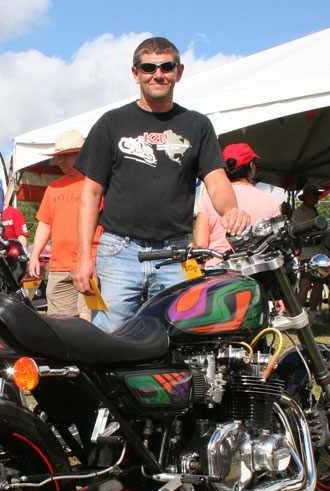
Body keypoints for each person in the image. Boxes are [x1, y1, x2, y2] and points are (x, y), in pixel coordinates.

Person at [72, 37, 249, 333]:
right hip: (118, 251)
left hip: (176, 253)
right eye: (149, 67)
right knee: (107, 337)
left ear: (178, 72)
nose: (158, 74)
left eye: (166, 66)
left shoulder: (197, 125)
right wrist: (83, 258)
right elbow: (90, 194)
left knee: (176, 337)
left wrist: (231, 208)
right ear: (135, 73)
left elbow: (216, 179)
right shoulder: (111, 123)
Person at [29, 129, 100, 320]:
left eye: (66, 155)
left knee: (88, 322)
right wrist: (34, 255)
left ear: (81, 154)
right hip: (58, 267)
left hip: (90, 263)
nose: (61, 160)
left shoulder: (95, 184)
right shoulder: (52, 188)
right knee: (59, 325)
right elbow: (44, 224)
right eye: (59, 156)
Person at [193, 142, 281, 264]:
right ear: (252, 167)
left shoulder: (209, 199)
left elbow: (200, 245)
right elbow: (278, 239)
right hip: (258, 269)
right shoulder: (269, 200)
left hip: (219, 270)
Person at [292, 186, 325, 320]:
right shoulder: (299, 212)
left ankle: (312, 314)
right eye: (314, 194)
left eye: (317, 195)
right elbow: (296, 231)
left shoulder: (315, 211)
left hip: (318, 251)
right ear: (306, 197)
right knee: (305, 282)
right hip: (307, 251)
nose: (316, 197)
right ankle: (300, 315)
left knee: (318, 283)